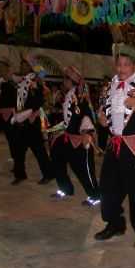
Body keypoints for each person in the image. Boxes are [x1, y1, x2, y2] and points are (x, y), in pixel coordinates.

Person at [94, 43, 135, 248]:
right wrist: (101, 117)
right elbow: (104, 107)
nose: (121, 69)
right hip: (115, 144)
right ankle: (115, 223)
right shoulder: (111, 84)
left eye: (126, 65)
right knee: (107, 188)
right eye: (119, 64)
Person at [48, 66, 100, 206]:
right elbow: (68, 117)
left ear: (71, 81)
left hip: (80, 137)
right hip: (67, 136)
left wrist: (87, 133)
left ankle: (95, 195)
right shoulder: (70, 94)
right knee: (57, 156)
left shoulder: (80, 94)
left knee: (84, 169)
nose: (63, 81)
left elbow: (86, 114)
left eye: (65, 78)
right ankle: (65, 189)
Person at [11, 58, 53, 185]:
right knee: (18, 150)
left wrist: (27, 113)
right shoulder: (21, 81)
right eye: (22, 65)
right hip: (21, 119)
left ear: (30, 67)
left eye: (25, 65)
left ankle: (48, 174)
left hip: (31, 120)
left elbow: (38, 100)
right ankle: (20, 174)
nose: (23, 67)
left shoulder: (35, 80)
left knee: (39, 150)